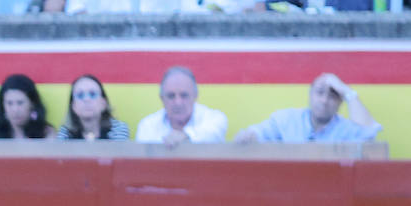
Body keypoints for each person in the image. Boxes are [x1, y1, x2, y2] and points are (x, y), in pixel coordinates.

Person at [234, 73, 382, 144]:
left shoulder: (346, 128)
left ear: (340, 102)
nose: (324, 100)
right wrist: (248, 137)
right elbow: (258, 133)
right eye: (319, 92)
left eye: (333, 96)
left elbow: (369, 133)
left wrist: (347, 92)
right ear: (310, 95)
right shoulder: (287, 120)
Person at [135, 66, 228, 146]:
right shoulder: (147, 125)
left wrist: (186, 135)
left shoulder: (215, 119)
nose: (178, 102)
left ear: (195, 96)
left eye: (184, 95)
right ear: (162, 98)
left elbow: (213, 133)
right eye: (171, 96)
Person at [57, 74, 130, 141]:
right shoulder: (66, 132)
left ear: (103, 103)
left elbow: (117, 154)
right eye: (80, 95)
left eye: (92, 94)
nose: (86, 99)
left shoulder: (118, 128)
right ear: (73, 106)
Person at [0, 74, 53, 140]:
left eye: (20, 103)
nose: (15, 109)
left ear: (32, 103)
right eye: (9, 103)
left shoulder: (46, 133)